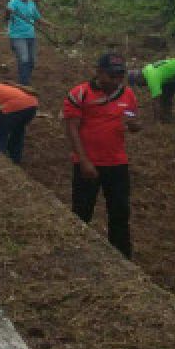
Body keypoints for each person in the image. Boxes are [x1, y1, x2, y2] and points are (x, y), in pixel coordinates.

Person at [63, 52, 141, 258]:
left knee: (120, 213)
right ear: (99, 72)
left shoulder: (128, 94)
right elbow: (72, 129)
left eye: (120, 77)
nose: (116, 81)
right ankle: (77, 252)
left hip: (117, 164)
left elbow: (133, 119)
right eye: (112, 76)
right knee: (82, 212)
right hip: (89, 164)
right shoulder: (79, 94)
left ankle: (122, 257)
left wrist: (135, 125)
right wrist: (84, 161)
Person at [130, 54, 175, 134]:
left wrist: (156, 122)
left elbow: (156, 101)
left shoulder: (151, 77)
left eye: (139, 84)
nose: (141, 86)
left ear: (139, 79)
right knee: (165, 94)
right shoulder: (147, 69)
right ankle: (167, 116)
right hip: (172, 76)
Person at [4, 0, 52, 85]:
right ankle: (24, 83)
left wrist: (49, 24)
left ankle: (25, 78)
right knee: (24, 59)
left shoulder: (31, 3)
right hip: (17, 36)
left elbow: (38, 18)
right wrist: (8, 12)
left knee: (32, 61)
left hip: (31, 36)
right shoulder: (13, 3)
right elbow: (7, 17)